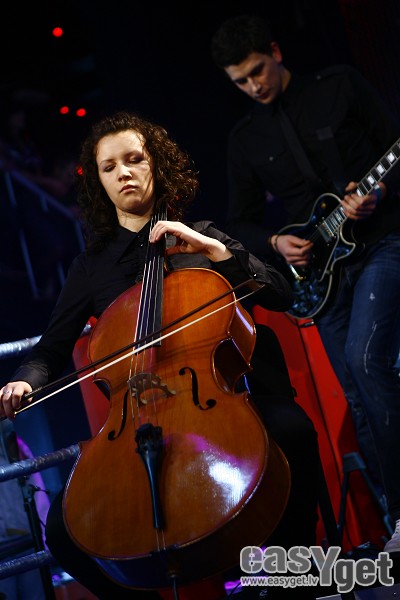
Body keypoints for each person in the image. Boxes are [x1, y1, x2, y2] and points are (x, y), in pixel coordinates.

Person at [0, 111, 321, 599]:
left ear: (157, 165)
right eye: (109, 167)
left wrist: (216, 252)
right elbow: (51, 348)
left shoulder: (201, 235)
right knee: (65, 532)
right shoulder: (91, 268)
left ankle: (290, 582)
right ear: (99, 182)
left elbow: (279, 292)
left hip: (225, 406)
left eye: (134, 159)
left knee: (292, 431)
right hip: (137, 422)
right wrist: (25, 379)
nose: (124, 173)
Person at [210, 13, 400, 554]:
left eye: (257, 71)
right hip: (323, 274)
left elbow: (394, 145)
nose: (254, 87)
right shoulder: (246, 139)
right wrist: (276, 242)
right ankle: (393, 523)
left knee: (367, 360)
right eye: (240, 82)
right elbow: (241, 220)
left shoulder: (339, 85)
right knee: (357, 396)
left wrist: (380, 194)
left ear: (275, 51)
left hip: (383, 242)